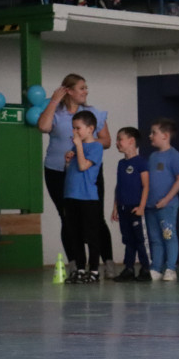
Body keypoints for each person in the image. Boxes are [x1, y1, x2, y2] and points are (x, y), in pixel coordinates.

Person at [37, 74, 115, 277]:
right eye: (81, 88)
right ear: (68, 91)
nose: (86, 91)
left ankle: (105, 261)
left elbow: (106, 141)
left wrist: (85, 146)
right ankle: (75, 263)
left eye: (86, 87)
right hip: (58, 170)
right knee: (67, 217)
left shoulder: (91, 113)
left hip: (87, 171)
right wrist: (54, 100)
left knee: (95, 217)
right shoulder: (56, 112)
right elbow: (43, 127)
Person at [62, 111, 104, 283]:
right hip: (71, 195)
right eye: (73, 128)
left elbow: (82, 166)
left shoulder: (96, 147)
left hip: (87, 198)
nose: (75, 131)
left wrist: (78, 147)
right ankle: (80, 268)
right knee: (75, 234)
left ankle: (93, 270)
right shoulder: (75, 147)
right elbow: (70, 170)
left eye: (78, 128)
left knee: (91, 235)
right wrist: (67, 160)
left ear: (90, 128)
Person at [146, 118, 179, 281]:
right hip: (151, 206)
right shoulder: (152, 156)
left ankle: (170, 268)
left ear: (165, 135)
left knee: (168, 235)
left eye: (154, 133)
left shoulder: (174, 156)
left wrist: (166, 199)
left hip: (166, 206)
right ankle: (156, 267)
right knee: (154, 238)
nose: (150, 136)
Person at [111, 126, 150, 282]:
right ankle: (128, 268)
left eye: (120, 139)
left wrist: (141, 207)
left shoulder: (141, 162)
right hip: (123, 207)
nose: (117, 143)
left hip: (135, 207)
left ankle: (146, 268)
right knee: (128, 240)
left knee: (140, 239)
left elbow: (146, 185)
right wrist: (115, 207)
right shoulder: (121, 164)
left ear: (131, 141)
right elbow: (118, 186)